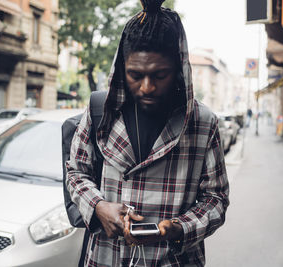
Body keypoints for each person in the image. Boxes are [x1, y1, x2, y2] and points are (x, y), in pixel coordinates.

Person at [66, 1, 229, 266]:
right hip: (105, 258)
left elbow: (216, 198)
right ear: (122, 69)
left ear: (178, 70)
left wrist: (179, 228)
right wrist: (98, 206)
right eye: (135, 74)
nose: (147, 87)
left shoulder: (202, 123)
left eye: (160, 74)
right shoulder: (100, 110)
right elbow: (76, 172)